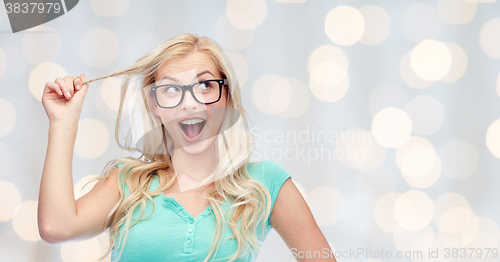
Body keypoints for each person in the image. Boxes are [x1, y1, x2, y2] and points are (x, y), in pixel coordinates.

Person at [38, 33, 336, 262]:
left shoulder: (264, 184)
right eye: (170, 89)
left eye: (205, 86)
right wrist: (63, 122)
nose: (190, 102)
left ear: (227, 97)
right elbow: (56, 227)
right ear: (155, 106)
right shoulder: (128, 181)